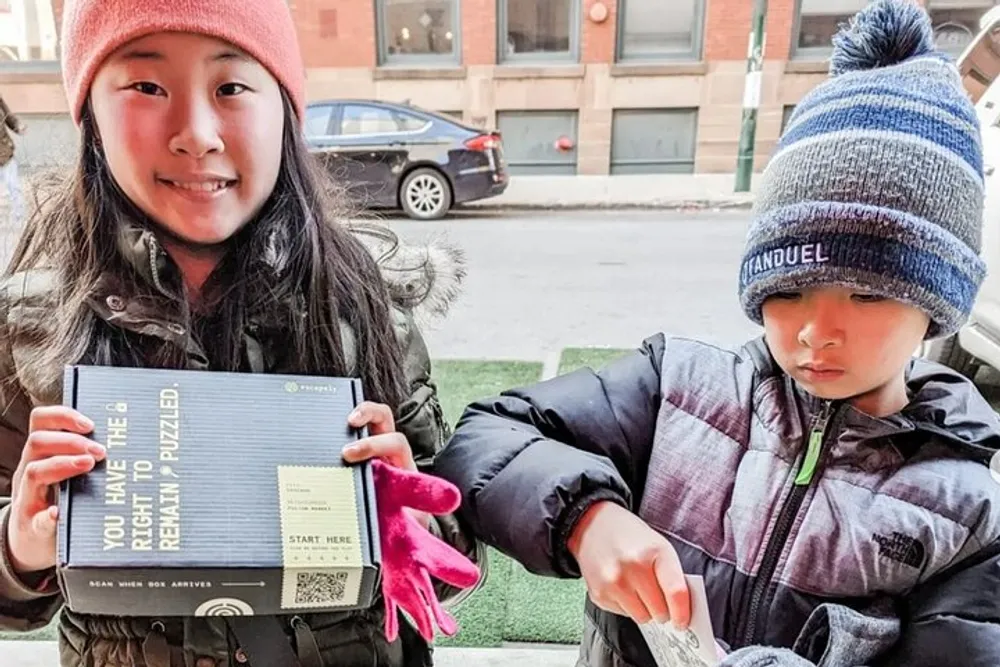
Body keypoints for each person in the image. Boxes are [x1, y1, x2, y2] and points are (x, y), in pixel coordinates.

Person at [434, 2, 1000, 666]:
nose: (817, 332)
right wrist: (586, 516)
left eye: (868, 292)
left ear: (936, 299)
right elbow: (486, 437)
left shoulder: (968, 515)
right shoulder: (678, 388)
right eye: (786, 289)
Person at [0, 1, 482, 666]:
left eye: (230, 87)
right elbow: (10, 589)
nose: (196, 133)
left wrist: (416, 522)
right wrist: (20, 545)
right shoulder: (33, 323)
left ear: (283, 107)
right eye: (146, 86)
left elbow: (452, 533)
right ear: (90, 119)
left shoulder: (359, 300)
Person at [0, 91, 26, 225]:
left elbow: (9, 117)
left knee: (14, 188)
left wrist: (18, 126)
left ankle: (19, 222)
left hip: (5, 152)